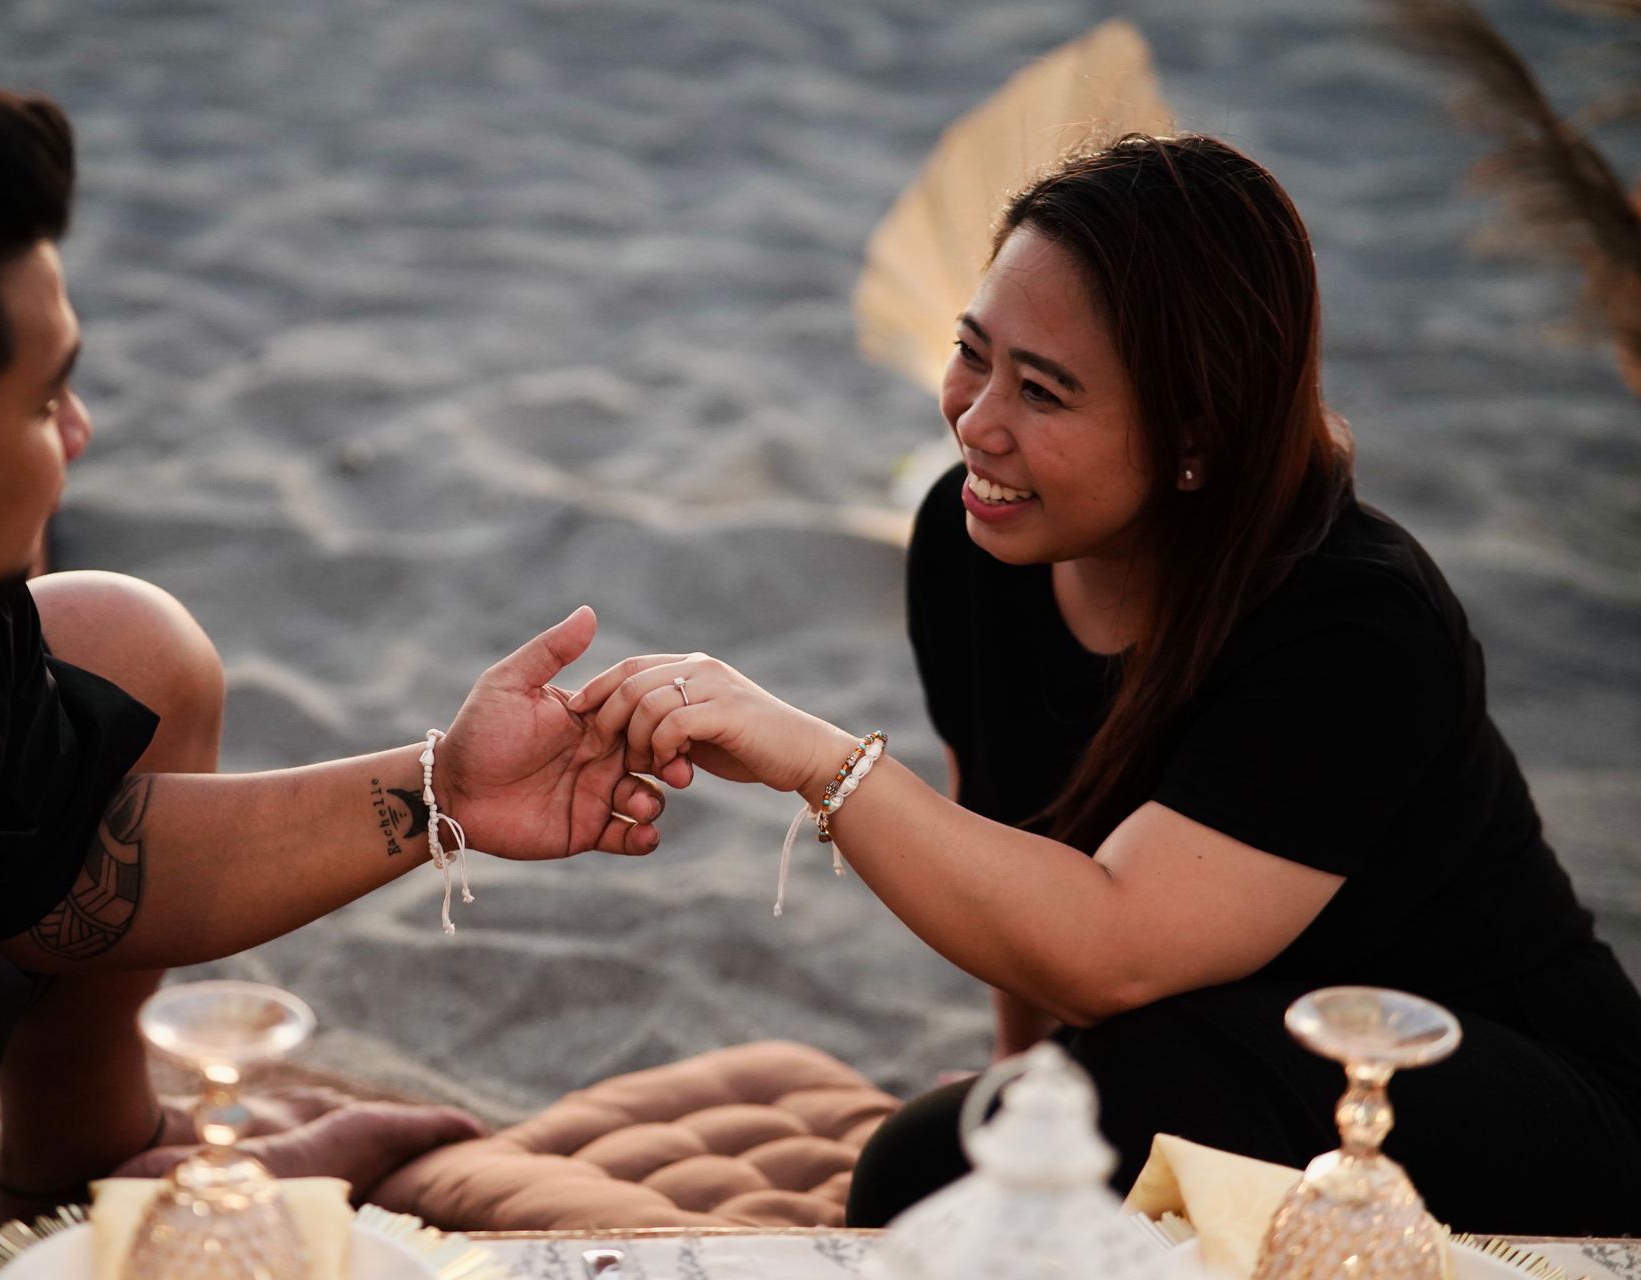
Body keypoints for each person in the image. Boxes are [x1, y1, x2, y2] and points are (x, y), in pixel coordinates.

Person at [574, 134, 1641, 1236]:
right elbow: (1011, 846)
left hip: (1506, 1103)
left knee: (951, 1160)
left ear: (1195, 434)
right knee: (967, 1159)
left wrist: (817, 759)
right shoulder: (971, 543)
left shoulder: (1357, 624)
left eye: (1042, 391)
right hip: (1199, 1054)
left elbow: (1109, 951)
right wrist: (1021, 1083)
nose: (975, 420)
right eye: (972, 352)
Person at [0, 47, 663, 1237]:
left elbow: (61, 857)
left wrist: (445, 791)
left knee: (122, 642)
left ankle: (88, 1158)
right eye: (41, 400)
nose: (79, 431)